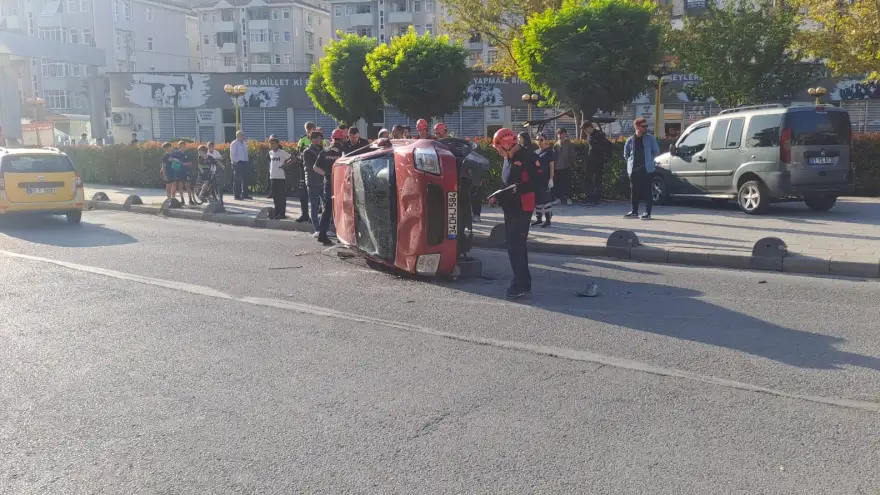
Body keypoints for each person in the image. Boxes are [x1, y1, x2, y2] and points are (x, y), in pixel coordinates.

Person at [490, 128, 541, 299]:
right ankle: (524, 282)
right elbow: (507, 182)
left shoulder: (529, 158)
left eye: (498, 148)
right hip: (510, 207)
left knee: (515, 246)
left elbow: (537, 185)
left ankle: (518, 284)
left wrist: (518, 189)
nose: (497, 152)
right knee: (516, 245)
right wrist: (499, 195)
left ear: (506, 146)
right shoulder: (508, 158)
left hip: (522, 208)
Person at [623, 117, 660, 220]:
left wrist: (649, 161)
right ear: (637, 127)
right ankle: (634, 211)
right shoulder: (630, 140)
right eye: (643, 126)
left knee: (647, 190)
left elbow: (656, 151)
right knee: (634, 191)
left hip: (646, 169)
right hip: (634, 170)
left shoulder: (650, 138)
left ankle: (648, 212)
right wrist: (631, 164)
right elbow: (626, 154)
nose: (646, 128)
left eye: (646, 126)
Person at [314, 129, 344, 246]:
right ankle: (341, 235)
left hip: (328, 183)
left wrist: (327, 174)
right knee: (341, 209)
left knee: (327, 209)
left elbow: (315, 168)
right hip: (340, 184)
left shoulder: (324, 151)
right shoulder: (343, 151)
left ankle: (322, 235)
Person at [582, 120, 612, 205]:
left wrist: (606, 158)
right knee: (590, 180)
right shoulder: (592, 135)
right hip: (591, 161)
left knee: (596, 180)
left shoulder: (599, 135)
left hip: (597, 161)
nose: (585, 132)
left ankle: (595, 199)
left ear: (589, 127)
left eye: (585, 129)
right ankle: (590, 198)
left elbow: (608, 145)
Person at [302, 130, 326, 232]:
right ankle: (317, 229)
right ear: (313, 139)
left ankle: (324, 227)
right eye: (319, 139)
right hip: (313, 181)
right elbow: (314, 167)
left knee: (326, 205)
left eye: (321, 139)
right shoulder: (307, 152)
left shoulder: (321, 150)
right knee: (314, 206)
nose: (321, 141)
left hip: (322, 181)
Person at [295, 122, 317, 223]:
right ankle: (304, 214)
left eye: (312, 130)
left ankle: (315, 216)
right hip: (303, 169)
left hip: (315, 170)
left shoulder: (319, 139)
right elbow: (298, 153)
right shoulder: (302, 140)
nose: (310, 132)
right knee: (303, 193)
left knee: (314, 194)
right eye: (308, 130)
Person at [532, 132, 555, 228]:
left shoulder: (549, 152)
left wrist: (551, 178)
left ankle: (548, 219)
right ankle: (538, 219)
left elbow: (551, 166)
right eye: (537, 140)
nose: (539, 142)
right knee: (537, 200)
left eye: (541, 140)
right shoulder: (535, 152)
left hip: (545, 179)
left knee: (546, 199)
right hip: (537, 179)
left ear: (546, 140)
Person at [267, 137, 294, 219]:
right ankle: (277, 212)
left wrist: (285, 165)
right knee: (275, 196)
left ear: (277, 144)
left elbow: (292, 158)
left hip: (280, 177)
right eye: (270, 143)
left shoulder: (282, 152)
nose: (271, 145)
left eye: (273, 143)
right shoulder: (270, 153)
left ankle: (282, 214)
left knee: (281, 196)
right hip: (273, 176)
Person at [552, 128, 574, 205]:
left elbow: (571, 154)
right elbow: (554, 157)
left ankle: (569, 198)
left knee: (567, 183)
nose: (560, 135)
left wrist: (572, 164)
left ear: (565, 134)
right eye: (558, 134)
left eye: (562, 134)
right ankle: (559, 198)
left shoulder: (568, 143)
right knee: (558, 184)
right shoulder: (555, 145)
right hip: (557, 167)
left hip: (566, 166)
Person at [230, 130, 252, 200]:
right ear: (238, 136)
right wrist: (234, 162)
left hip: (244, 163)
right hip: (237, 163)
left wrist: (246, 161)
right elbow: (232, 154)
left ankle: (245, 194)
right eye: (242, 135)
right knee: (237, 180)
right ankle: (237, 196)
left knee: (245, 179)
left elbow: (245, 153)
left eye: (243, 135)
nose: (243, 136)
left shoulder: (244, 143)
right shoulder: (234, 143)